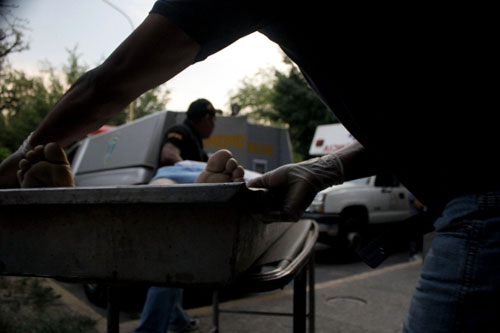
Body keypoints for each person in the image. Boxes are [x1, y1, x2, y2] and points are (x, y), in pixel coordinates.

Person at [1, 1, 498, 332]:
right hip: (475, 196)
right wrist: (321, 170)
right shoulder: (180, 136)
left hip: (483, 203)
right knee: (175, 182)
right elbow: (446, 120)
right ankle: (191, 196)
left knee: (181, 191)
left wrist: (21, 157)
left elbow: (113, 81)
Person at [135, 98, 218, 333]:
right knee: (168, 269)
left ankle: (177, 321)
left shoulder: (198, 144)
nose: (214, 126)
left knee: (176, 265)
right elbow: (169, 154)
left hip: (181, 212)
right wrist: (192, 171)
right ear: (206, 118)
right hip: (172, 209)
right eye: (214, 120)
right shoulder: (180, 131)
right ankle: (148, 330)